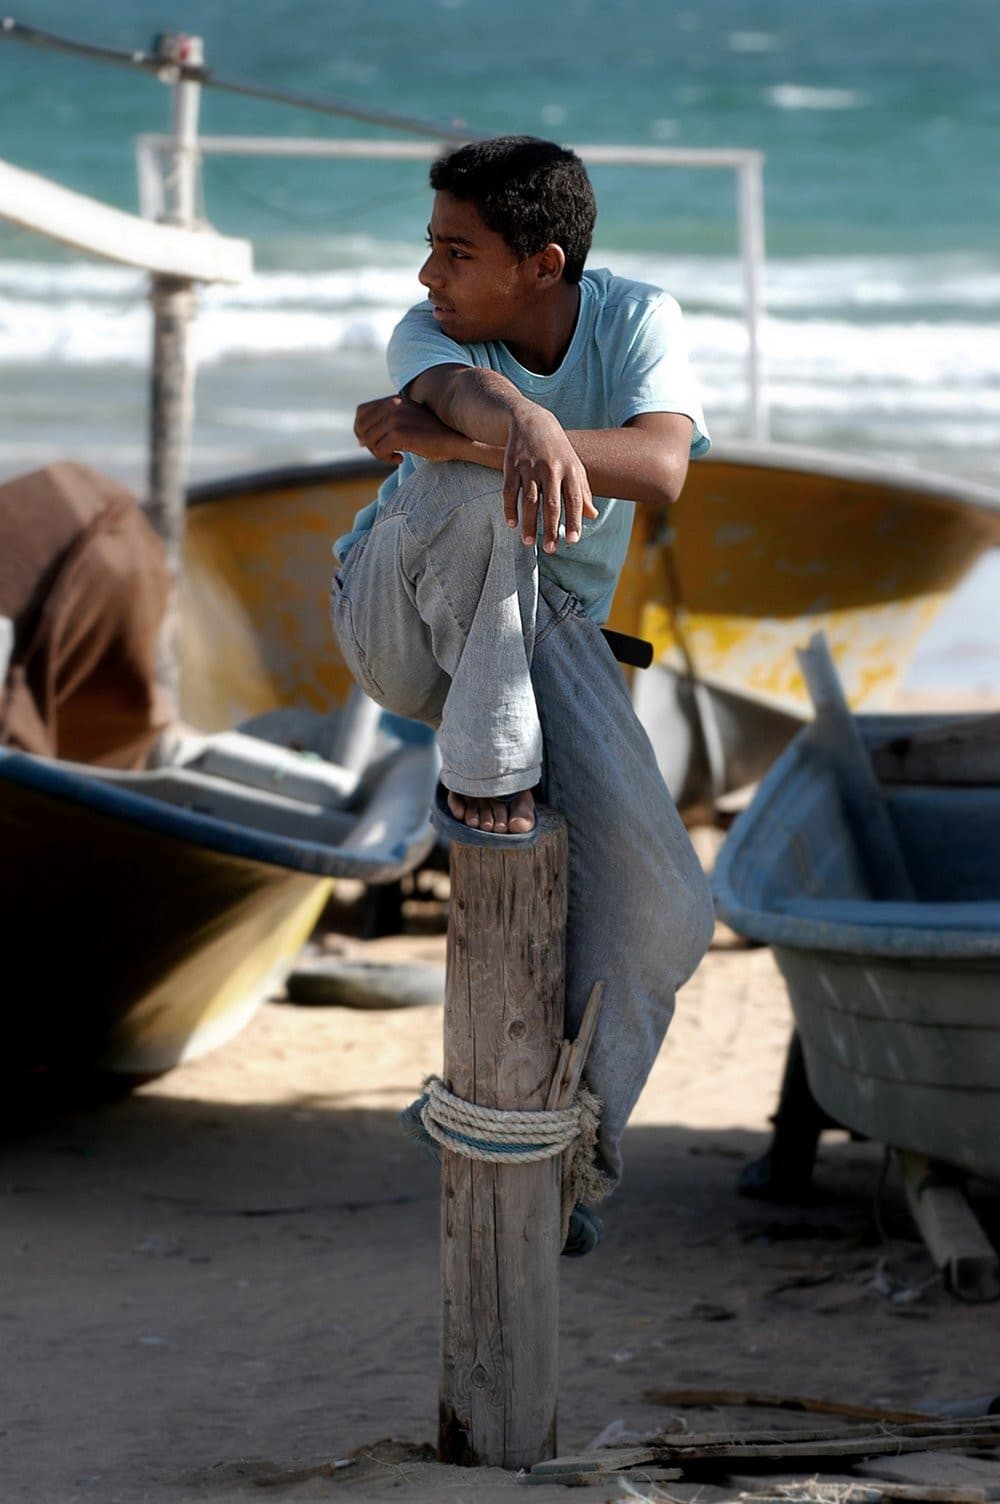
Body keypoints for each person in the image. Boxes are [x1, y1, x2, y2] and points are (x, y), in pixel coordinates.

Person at [331, 135, 715, 1250]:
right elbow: (450, 390)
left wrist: (458, 441)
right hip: (398, 620)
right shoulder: (437, 333)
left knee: (667, 913)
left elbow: (663, 468)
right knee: (466, 495)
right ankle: (483, 769)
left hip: (546, 638)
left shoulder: (639, 316)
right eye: (430, 245)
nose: (427, 275)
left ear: (541, 266)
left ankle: (566, 1153)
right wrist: (518, 428)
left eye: (456, 251)